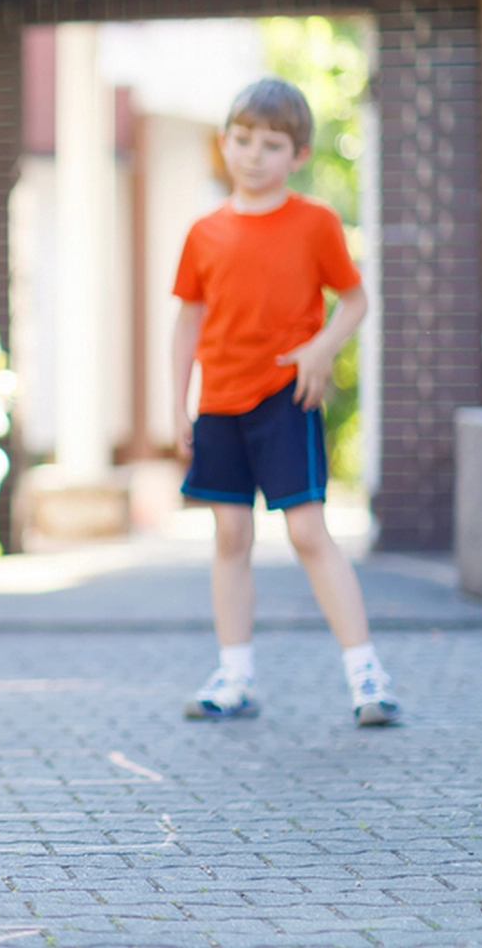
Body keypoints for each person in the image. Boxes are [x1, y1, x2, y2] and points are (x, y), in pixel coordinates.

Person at [171, 76, 399, 727]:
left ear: (296, 155)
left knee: (306, 531)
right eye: (242, 139)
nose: (253, 154)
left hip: (285, 396)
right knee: (231, 534)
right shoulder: (204, 232)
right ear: (224, 142)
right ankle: (234, 675)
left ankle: (366, 676)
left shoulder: (315, 223)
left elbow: (354, 301)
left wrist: (321, 349)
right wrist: (175, 402)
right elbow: (187, 321)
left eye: (270, 144)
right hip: (218, 402)